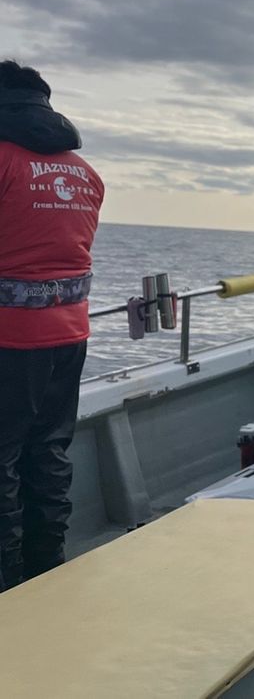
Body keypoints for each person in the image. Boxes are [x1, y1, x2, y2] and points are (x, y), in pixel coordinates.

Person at [0, 61, 104, 592]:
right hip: (69, 337)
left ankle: (7, 586)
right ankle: (47, 571)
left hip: (8, 342)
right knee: (49, 450)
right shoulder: (85, 175)